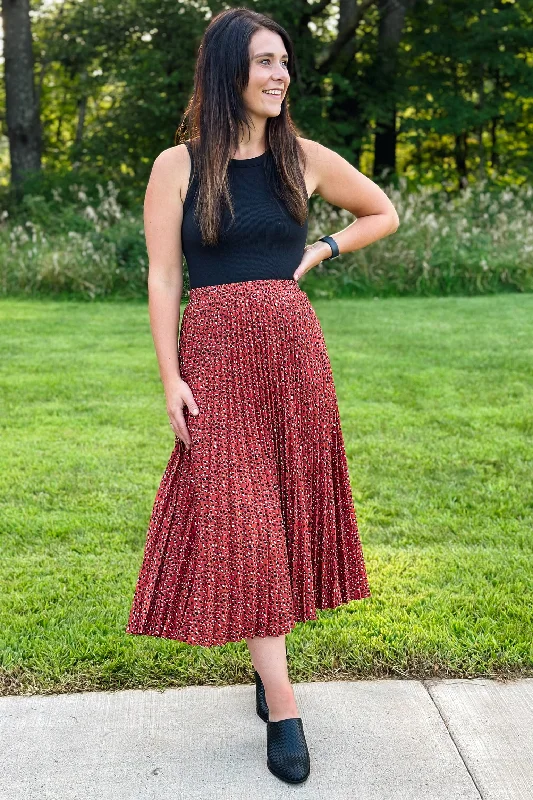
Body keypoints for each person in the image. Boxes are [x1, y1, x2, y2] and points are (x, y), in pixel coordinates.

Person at [125, 6, 399, 786]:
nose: (280, 75)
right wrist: (169, 374)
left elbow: (382, 211)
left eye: (284, 62)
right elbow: (162, 275)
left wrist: (321, 248)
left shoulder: (304, 157)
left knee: (278, 514)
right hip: (212, 352)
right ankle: (284, 707)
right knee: (243, 522)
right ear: (225, 72)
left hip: (291, 353)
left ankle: (263, 658)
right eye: (264, 63)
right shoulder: (176, 166)